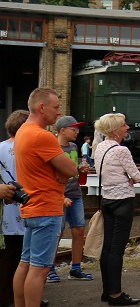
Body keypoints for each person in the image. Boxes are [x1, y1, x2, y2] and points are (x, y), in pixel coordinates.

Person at [12, 88, 79, 307]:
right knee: (39, 270)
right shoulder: (42, 136)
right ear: (41, 108)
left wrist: (59, 173)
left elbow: (60, 171)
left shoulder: (22, 132)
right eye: (55, 107)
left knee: (25, 265)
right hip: (47, 208)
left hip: (31, 207)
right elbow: (71, 169)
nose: (59, 111)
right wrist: (61, 174)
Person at [93, 113, 140, 305]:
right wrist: (131, 177)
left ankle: (107, 290)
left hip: (106, 199)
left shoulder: (99, 148)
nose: (127, 127)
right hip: (123, 200)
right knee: (117, 249)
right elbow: (137, 176)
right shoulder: (121, 151)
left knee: (107, 247)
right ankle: (116, 294)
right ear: (115, 130)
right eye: (124, 125)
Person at [53, 116, 92, 281]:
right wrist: (60, 196)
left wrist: (79, 168)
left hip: (75, 193)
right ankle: (49, 268)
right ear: (62, 130)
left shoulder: (74, 146)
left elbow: (70, 168)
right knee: (57, 233)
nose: (77, 132)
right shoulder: (53, 148)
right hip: (58, 195)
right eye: (73, 129)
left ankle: (76, 268)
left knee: (79, 229)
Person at [1, 110, 30, 307]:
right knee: (24, 257)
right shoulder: (28, 148)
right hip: (28, 208)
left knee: (6, 256)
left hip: (4, 214)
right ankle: (21, 296)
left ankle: (4, 298)